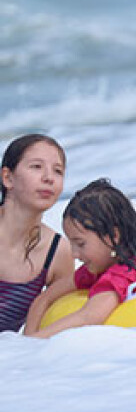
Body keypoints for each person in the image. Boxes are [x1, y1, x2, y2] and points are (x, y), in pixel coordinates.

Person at [26, 178, 136, 338]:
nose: (74, 253)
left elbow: (90, 317)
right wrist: (27, 340)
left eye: (80, 244)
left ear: (113, 235)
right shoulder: (130, 258)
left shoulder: (120, 276)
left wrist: (36, 341)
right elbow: (45, 297)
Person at [0, 134, 75, 333]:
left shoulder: (58, 253)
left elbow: (58, 319)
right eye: (36, 167)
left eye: (58, 171)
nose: (49, 178)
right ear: (7, 177)